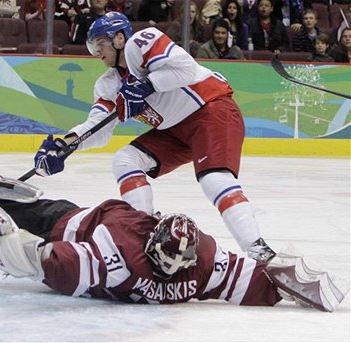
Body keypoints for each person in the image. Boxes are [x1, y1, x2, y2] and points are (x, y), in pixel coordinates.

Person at [0, 149, 346, 312]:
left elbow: (49, 265)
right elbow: (259, 282)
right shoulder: (205, 265)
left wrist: (6, 240)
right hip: (76, 227)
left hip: (65, 224)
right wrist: (297, 285)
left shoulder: (116, 258)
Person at [33, 12, 277, 263]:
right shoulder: (107, 85)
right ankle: (143, 232)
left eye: (100, 44)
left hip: (210, 109)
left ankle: (258, 250)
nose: (96, 52)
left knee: (214, 179)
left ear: (119, 38)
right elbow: (98, 127)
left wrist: (147, 84)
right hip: (173, 132)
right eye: (92, 46)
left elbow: (185, 68)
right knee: (125, 160)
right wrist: (66, 145)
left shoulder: (142, 43)